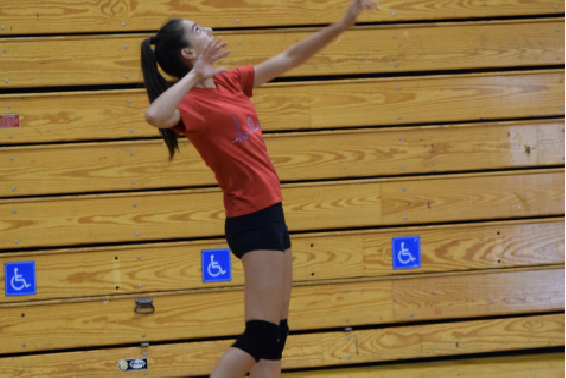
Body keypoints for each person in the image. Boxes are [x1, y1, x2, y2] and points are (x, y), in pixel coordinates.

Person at [140, 0, 378, 376]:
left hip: (271, 212)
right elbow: (154, 115)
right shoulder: (191, 103)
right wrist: (194, 77)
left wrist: (342, 25)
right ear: (188, 53)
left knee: (276, 335)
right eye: (198, 29)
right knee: (260, 334)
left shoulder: (230, 80)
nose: (208, 29)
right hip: (250, 218)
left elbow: (289, 56)